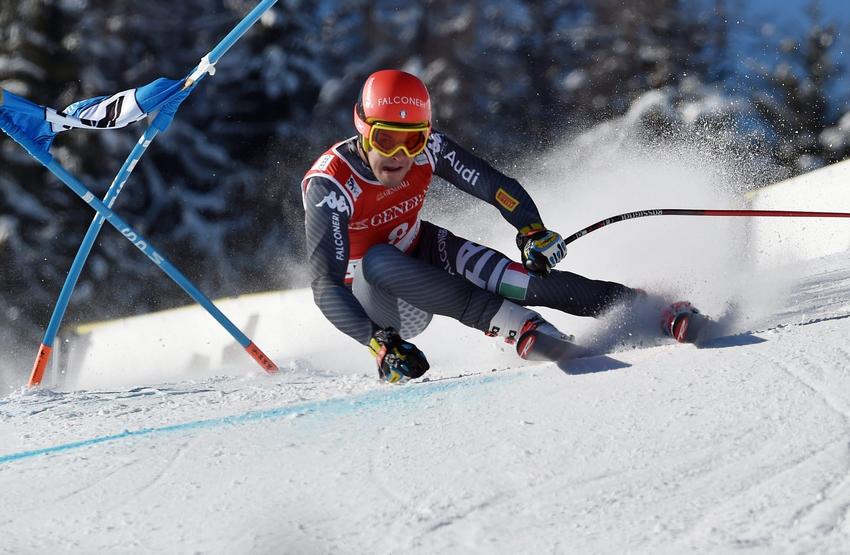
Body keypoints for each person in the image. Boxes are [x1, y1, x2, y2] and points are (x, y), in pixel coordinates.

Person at [301, 69, 700, 383]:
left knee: (514, 278)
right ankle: (512, 324)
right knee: (377, 260)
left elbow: (495, 187)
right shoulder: (331, 185)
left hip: (421, 249)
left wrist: (532, 231)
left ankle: (648, 309)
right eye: (386, 140)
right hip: (381, 306)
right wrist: (379, 343)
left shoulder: (430, 150)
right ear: (363, 129)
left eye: (414, 140)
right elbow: (326, 285)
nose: (401, 155)